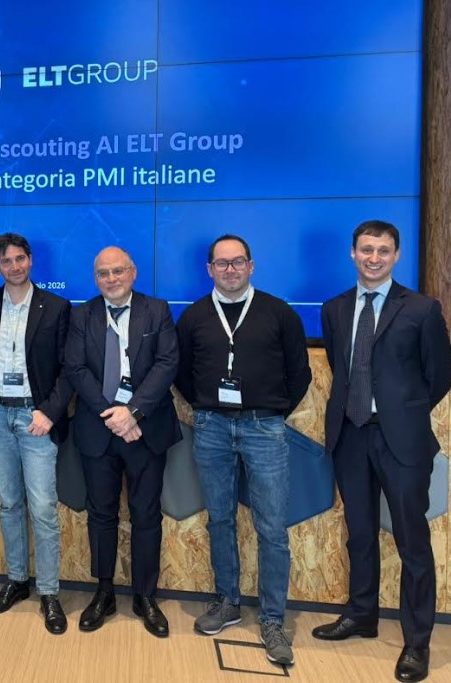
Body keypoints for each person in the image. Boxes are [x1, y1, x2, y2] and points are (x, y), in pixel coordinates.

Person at [314, 220, 451, 683]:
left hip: (402, 441)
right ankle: (362, 614)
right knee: (359, 533)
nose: (374, 258)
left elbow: (439, 374)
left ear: (396, 256)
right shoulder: (334, 308)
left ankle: (417, 642)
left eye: (384, 251)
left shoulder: (422, 309)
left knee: (413, 542)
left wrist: (402, 411)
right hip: (350, 436)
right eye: (366, 249)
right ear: (353, 253)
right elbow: (341, 367)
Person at [175, 234, 311, 666]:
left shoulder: (279, 313)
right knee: (220, 519)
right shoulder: (193, 316)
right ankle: (228, 602)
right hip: (211, 427)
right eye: (222, 263)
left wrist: (270, 412)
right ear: (209, 269)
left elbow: (300, 373)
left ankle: (272, 620)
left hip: (264, 427)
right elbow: (181, 373)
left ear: (251, 266)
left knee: (272, 528)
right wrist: (207, 408)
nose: (230, 270)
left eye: (238, 262)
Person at [64, 246, 180, 638]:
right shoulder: (81, 315)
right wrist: (113, 415)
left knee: (146, 514)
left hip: (146, 429)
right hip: (99, 430)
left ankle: (145, 596)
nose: (111, 279)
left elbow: (167, 363)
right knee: (101, 514)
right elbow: (76, 368)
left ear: (132, 273)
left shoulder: (156, 310)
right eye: (103, 273)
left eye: (118, 271)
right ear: (95, 278)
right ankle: (104, 592)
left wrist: (133, 412)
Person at [0, 233, 72, 634]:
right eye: (6, 261)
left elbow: (68, 369)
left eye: (20, 259)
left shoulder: (57, 307)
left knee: (43, 508)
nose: (14, 266)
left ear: (30, 260)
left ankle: (49, 592)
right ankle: (17, 580)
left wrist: (49, 412)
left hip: (36, 417)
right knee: (10, 504)